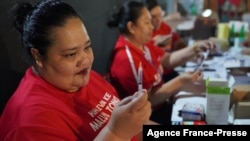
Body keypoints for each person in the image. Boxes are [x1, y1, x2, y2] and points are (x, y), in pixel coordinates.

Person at [0, 0, 152, 141]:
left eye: (87, 47)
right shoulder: (28, 123)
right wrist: (116, 132)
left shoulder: (85, 77)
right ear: (38, 56)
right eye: (71, 54)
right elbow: (123, 130)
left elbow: (137, 129)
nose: (85, 60)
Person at [107, 0, 214, 124]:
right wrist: (181, 80)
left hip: (162, 105)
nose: (152, 26)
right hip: (149, 116)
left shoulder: (143, 44)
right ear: (131, 27)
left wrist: (195, 48)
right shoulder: (127, 59)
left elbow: (166, 60)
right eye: (147, 22)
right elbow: (149, 100)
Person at [142, 0, 187, 82]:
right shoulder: (143, 36)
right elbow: (167, 61)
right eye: (153, 17)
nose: (159, 20)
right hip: (157, 75)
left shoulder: (164, 26)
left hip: (168, 71)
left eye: (160, 15)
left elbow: (178, 43)